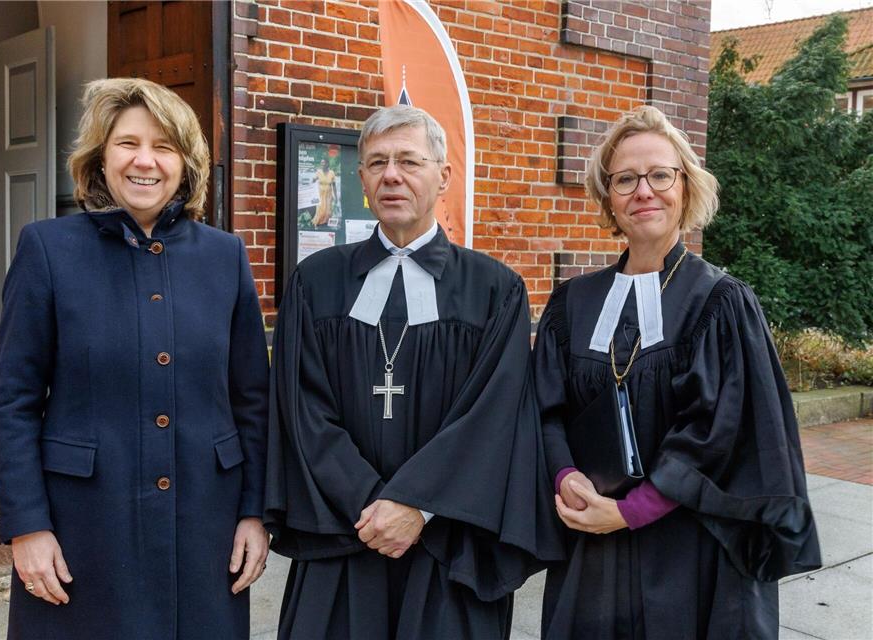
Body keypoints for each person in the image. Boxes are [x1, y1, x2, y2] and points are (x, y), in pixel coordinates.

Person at [265, 104, 561, 639]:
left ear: (443, 176)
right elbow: (301, 407)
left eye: (408, 161)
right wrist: (369, 506)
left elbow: (491, 419)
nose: (392, 175)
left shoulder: (495, 290)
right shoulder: (316, 281)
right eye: (377, 163)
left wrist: (416, 509)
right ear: (360, 179)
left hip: (448, 545)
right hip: (343, 534)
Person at [0, 78, 270, 639]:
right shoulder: (47, 249)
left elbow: (252, 400)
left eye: (164, 147)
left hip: (204, 524)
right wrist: (27, 526)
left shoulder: (225, 256)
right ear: (100, 156)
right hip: (84, 526)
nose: (146, 161)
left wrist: (255, 513)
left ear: (186, 164)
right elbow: (14, 402)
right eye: (128, 143)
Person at [533, 105, 821, 639]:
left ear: (685, 188)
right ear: (608, 199)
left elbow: (723, 428)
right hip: (591, 545)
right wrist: (565, 477)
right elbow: (544, 410)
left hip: (688, 550)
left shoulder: (719, 302)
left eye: (660, 175)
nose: (644, 191)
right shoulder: (572, 304)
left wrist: (632, 510)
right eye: (625, 179)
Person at [312, 157, 337, 226]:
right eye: (321, 163)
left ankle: (325, 223)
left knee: (328, 211)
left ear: (327, 164)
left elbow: (334, 186)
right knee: (320, 209)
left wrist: (336, 197)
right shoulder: (318, 172)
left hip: (328, 195)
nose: (322, 164)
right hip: (320, 194)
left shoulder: (332, 173)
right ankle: (318, 222)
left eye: (324, 163)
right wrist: (312, 180)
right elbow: (313, 181)